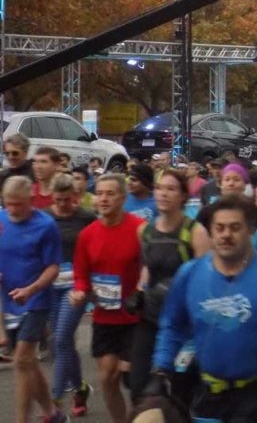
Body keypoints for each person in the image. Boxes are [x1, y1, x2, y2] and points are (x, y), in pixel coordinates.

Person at [148, 195, 257, 422]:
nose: (226, 234)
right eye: (219, 228)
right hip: (208, 394)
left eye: (235, 227)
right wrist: (161, 369)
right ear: (211, 232)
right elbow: (172, 325)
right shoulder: (190, 274)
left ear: (250, 230)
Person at [128, 170, 210, 401]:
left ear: (183, 196)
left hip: (184, 323)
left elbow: (206, 279)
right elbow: (147, 267)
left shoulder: (195, 232)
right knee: (137, 386)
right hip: (151, 317)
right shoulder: (145, 231)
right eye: (159, 188)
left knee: (181, 391)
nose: (163, 194)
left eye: (171, 189)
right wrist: (139, 291)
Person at [70, 173, 145, 423]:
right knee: (107, 378)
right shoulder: (87, 235)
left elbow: (151, 267)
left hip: (135, 317)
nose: (103, 199)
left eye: (110, 194)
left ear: (122, 198)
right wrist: (80, 291)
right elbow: (81, 274)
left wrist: (141, 290)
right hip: (104, 316)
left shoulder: (139, 228)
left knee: (132, 379)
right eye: (100, 193)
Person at [0, 175, 65, 423]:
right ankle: (52, 413)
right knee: (27, 364)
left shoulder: (46, 226)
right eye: (8, 203)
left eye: (18, 204)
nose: (13, 210)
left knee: (22, 360)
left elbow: (53, 268)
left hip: (36, 299)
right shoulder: (1, 219)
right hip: (9, 300)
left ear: (31, 199)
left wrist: (31, 289)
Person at [46, 174, 96, 417]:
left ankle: (54, 402)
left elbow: (96, 249)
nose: (63, 204)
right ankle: (80, 388)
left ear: (75, 196)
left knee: (61, 338)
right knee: (62, 343)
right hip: (50, 285)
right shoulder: (44, 217)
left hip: (76, 285)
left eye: (67, 199)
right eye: (58, 200)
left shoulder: (86, 217)